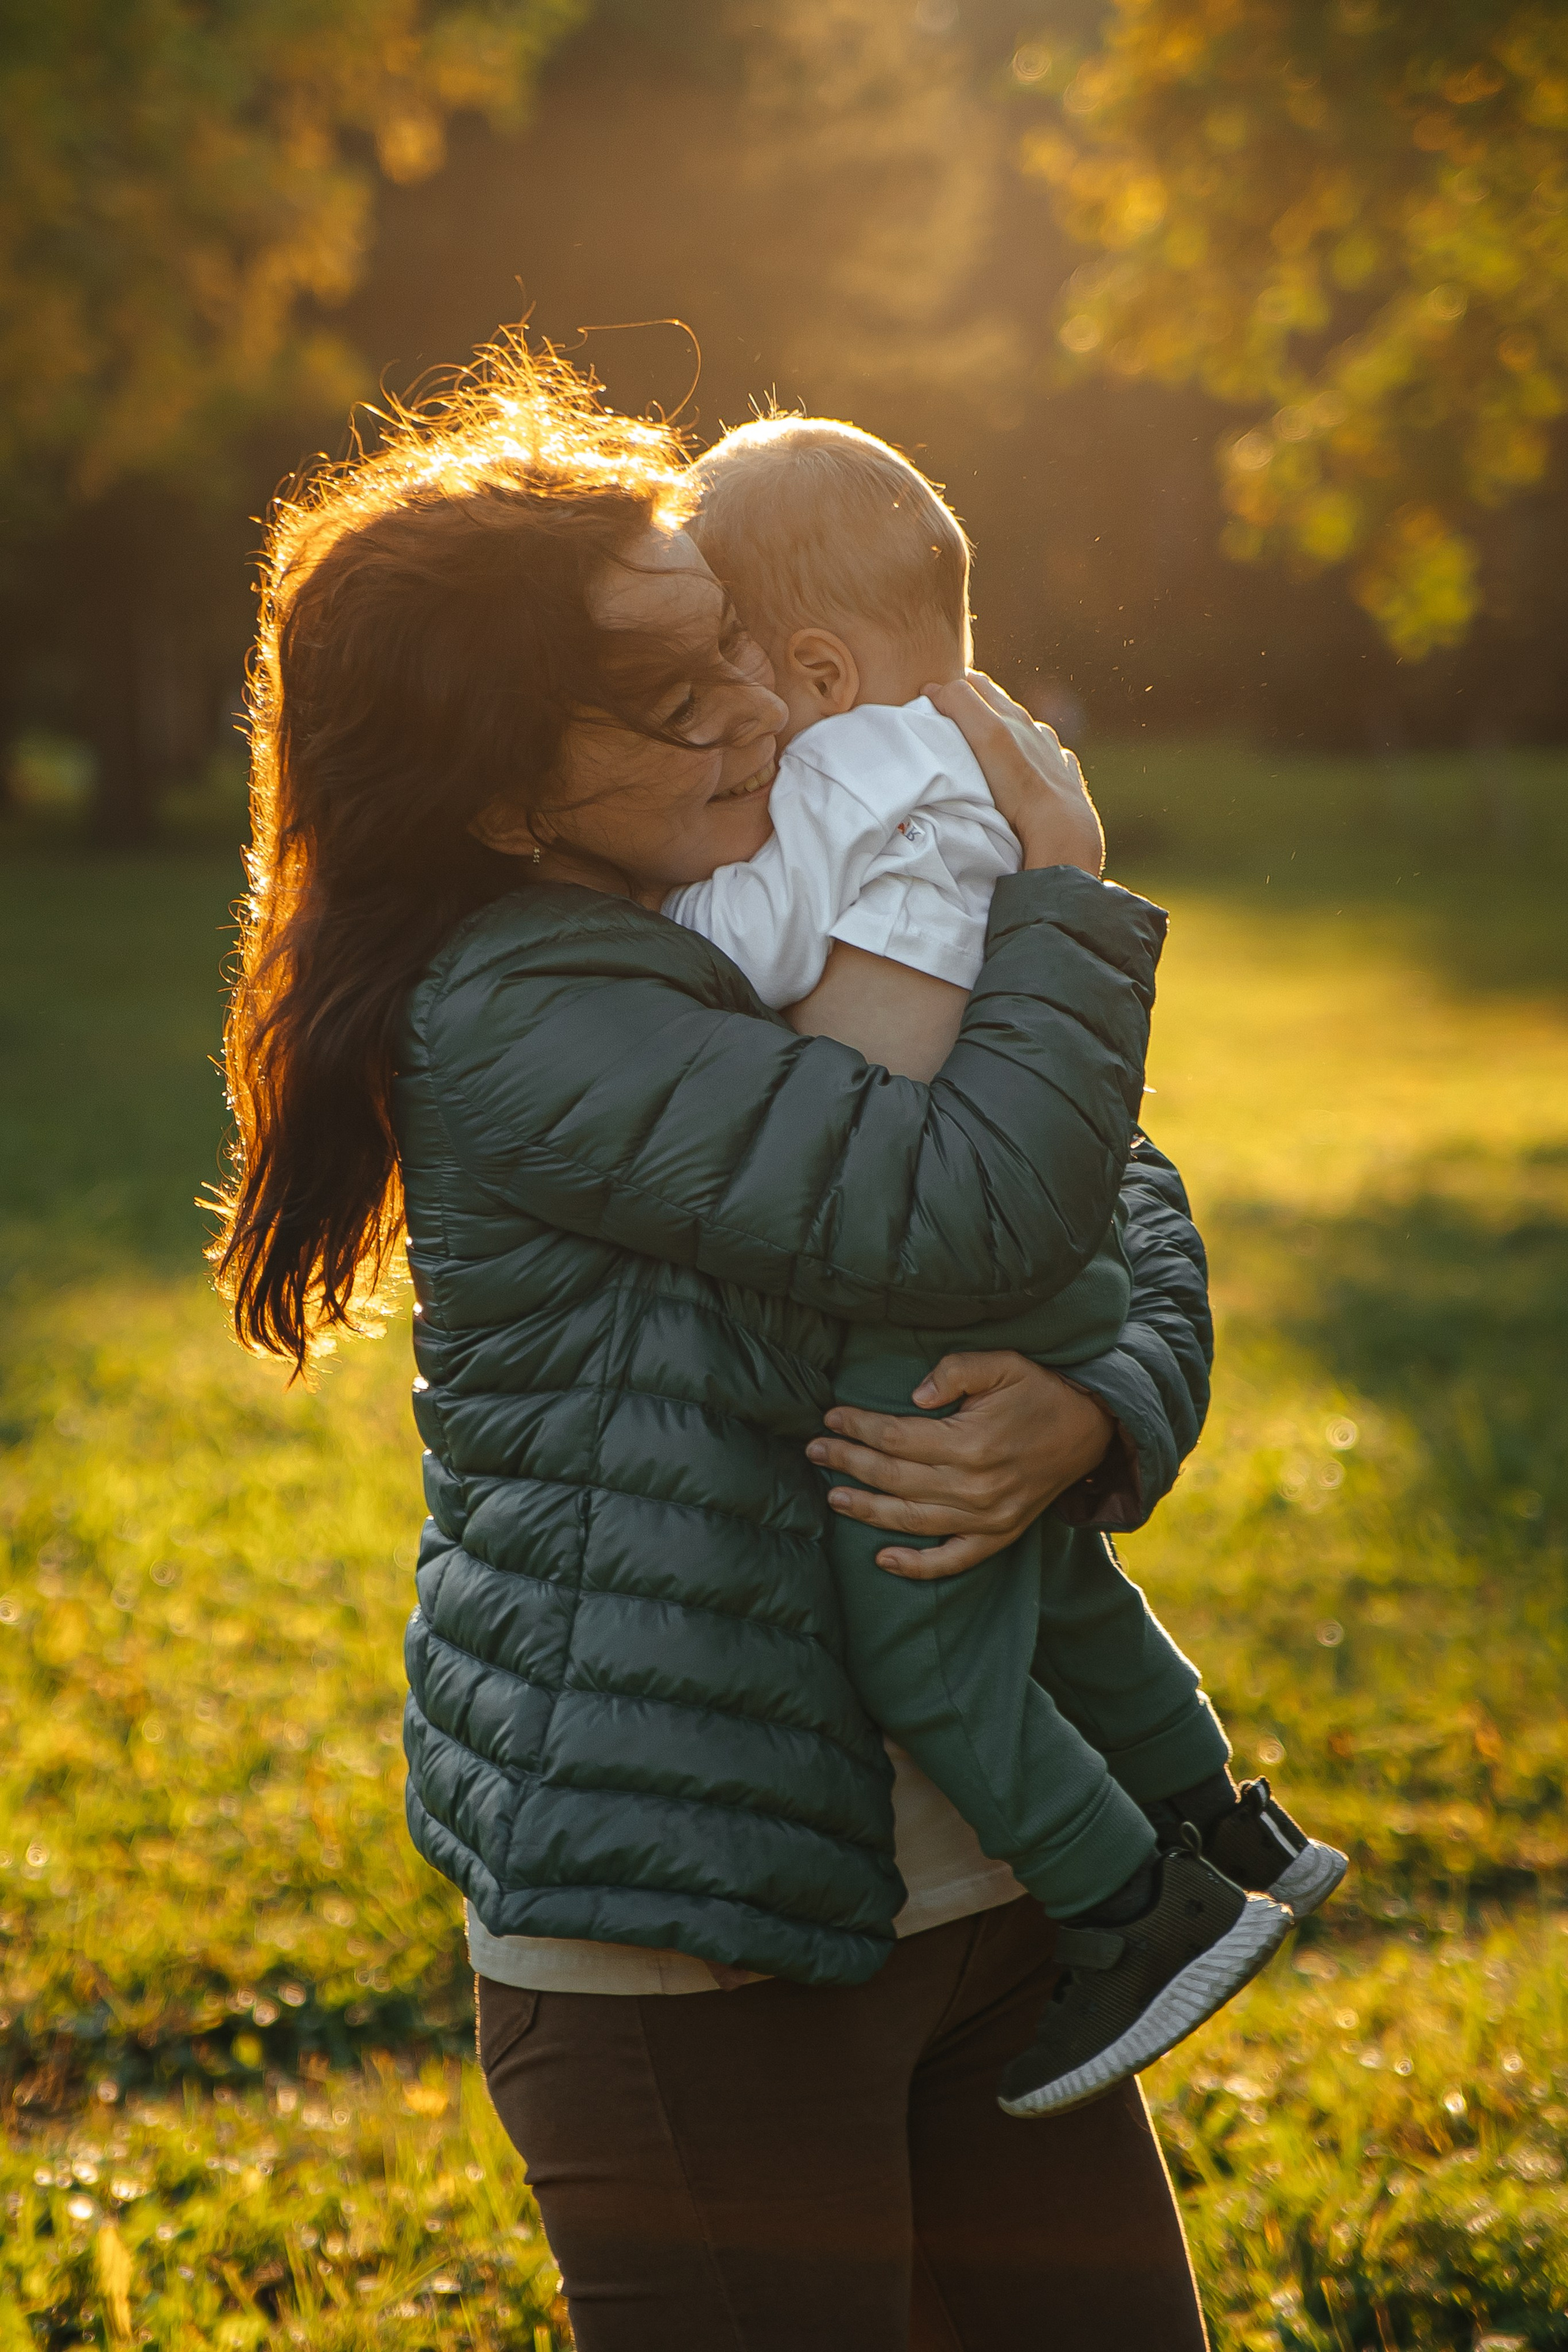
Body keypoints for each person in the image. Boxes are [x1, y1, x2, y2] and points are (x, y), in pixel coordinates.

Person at [213, 340, 1218, 2350]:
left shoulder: (774, 884)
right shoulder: (516, 1014)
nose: (769, 704)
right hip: (705, 1934)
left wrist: (1090, 1404)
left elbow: (1127, 1195)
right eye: (686, 697)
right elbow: (973, 1204)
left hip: (984, 1872)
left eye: (745, 647)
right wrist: (1066, 905)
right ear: (500, 790)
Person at [668, 416, 1345, 2117]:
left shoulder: (837, 765)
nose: (721, 706)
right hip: (1052, 1256)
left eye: (727, 664)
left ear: (813, 665)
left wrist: (643, 920)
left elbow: (749, 947)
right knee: (1051, 1581)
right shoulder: (983, 749)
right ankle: (1227, 1811)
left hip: (936, 1281)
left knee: (927, 1629)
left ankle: (1138, 1904)